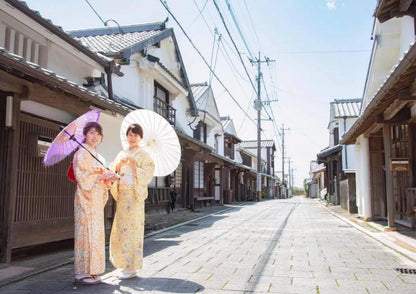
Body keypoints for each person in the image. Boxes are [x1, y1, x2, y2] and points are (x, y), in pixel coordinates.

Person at [73, 122, 118, 285]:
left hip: (97, 199)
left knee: (96, 235)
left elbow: (101, 178)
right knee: (86, 233)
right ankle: (81, 272)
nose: (95, 136)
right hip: (86, 199)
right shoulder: (81, 153)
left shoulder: (98, 156)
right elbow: (81, 177)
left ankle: (92, 270)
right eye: (92, 132)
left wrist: (108, 178)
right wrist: (99, 177)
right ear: (85, 134)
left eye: (98, 134)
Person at [110, 123, 155, 279]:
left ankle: (131, 266)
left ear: (140, 137)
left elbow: (148, 172)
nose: (132, 138)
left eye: (135, 135)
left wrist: (135, 166)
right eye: (130, 135)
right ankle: (123, 264)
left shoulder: (144, 155)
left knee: (133, 230)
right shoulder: (122, 153)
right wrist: (119, 165)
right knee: (121, 229)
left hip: (134, 198)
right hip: (123, 196)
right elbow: (113, 169)